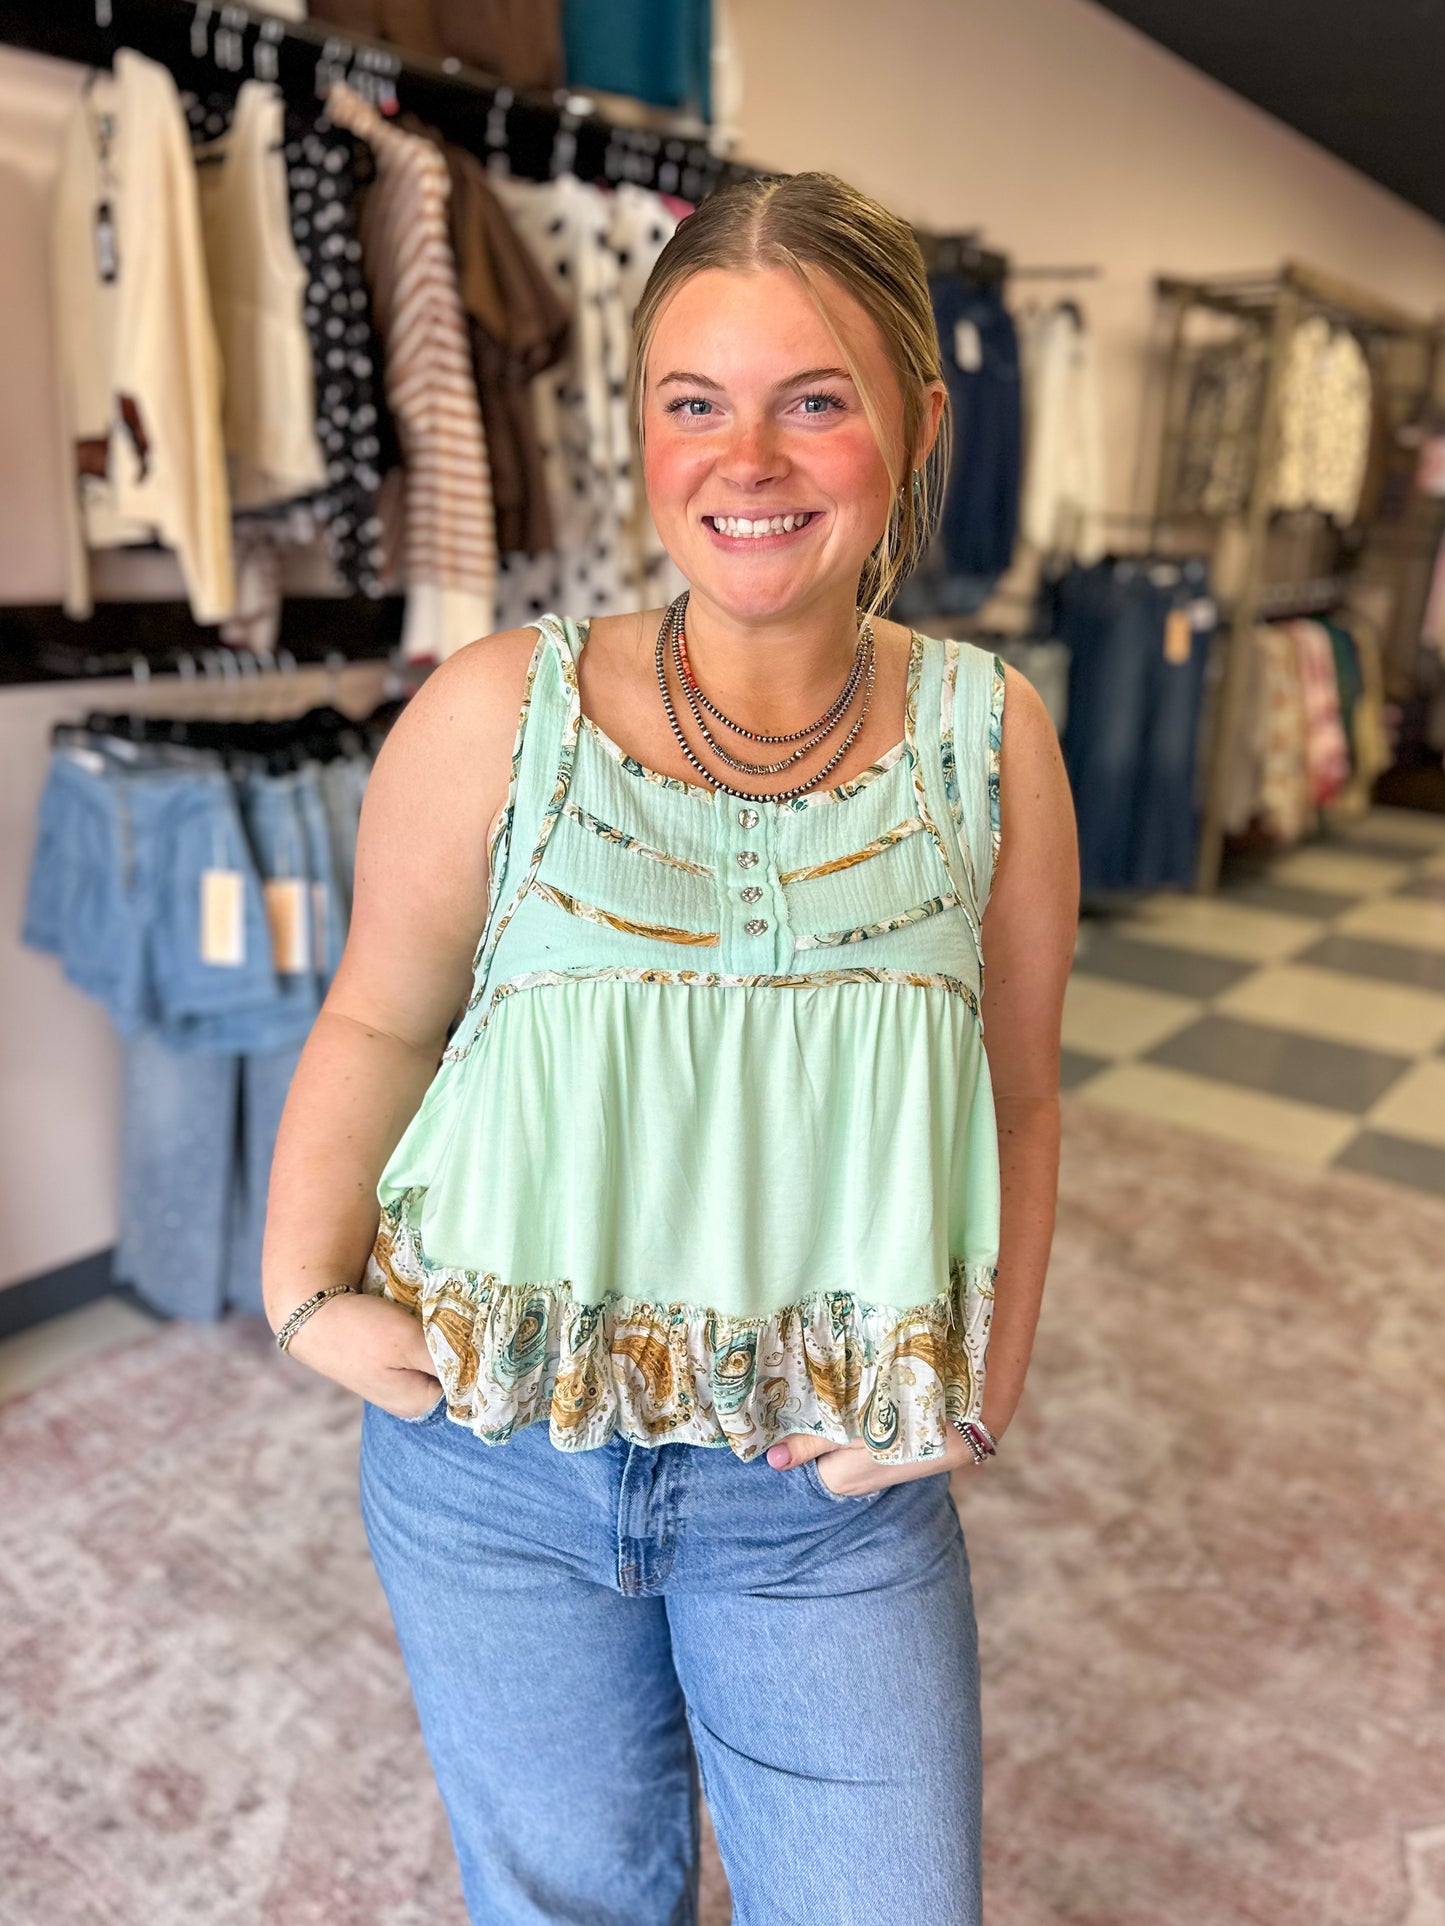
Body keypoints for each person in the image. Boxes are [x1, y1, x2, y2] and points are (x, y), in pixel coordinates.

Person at [263, 170, 1078, 1926]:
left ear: (917, 426)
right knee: (565, 1903)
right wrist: (302, 1289)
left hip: (819, 1490)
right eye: (693, 404)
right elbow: (381, 1015)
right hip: (492, 1466)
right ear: (642, 432)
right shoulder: (496, 706)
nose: (747, 460)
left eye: (815, 401)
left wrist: (984, 1386)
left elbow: (1019, 1087)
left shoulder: (986, 737)